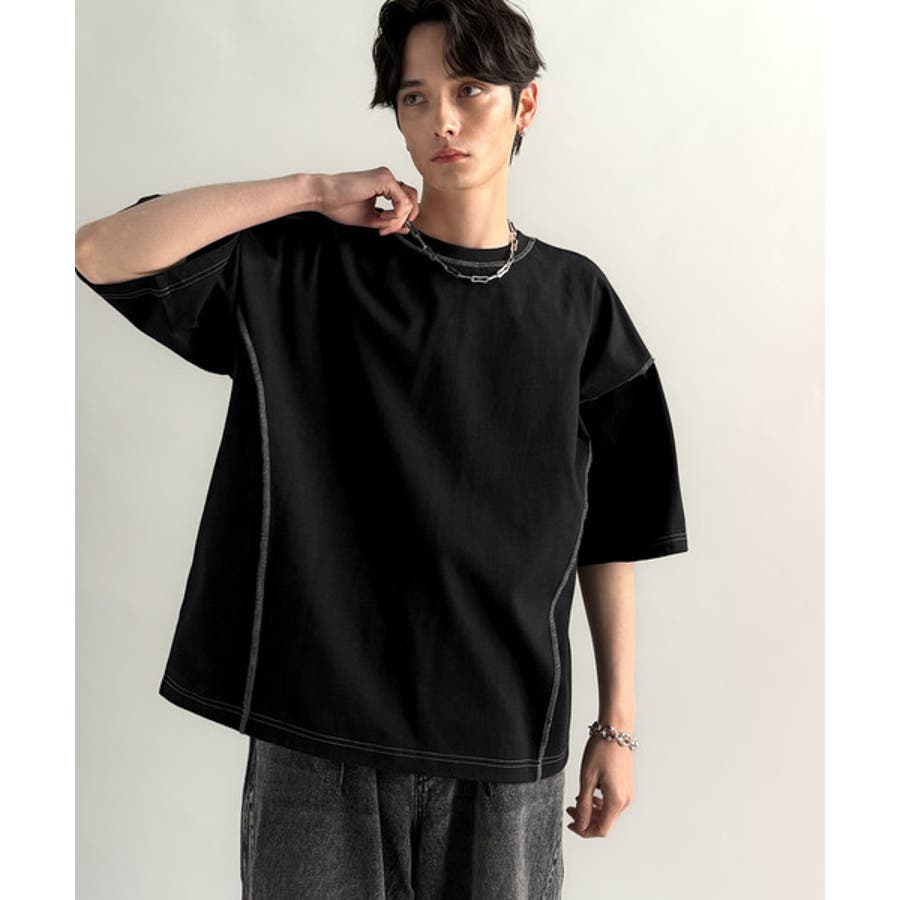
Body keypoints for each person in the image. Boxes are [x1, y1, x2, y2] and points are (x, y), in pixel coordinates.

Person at [74, 0, 689, 897]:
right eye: (414, 96)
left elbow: (615, 528)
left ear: (525, 104)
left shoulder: (578, 302)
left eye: (470, 90)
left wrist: (617, 725)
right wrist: (310, 190)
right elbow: (101, 251)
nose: (442, 120)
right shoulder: (314, 269)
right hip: (318, 736)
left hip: (504, 740)